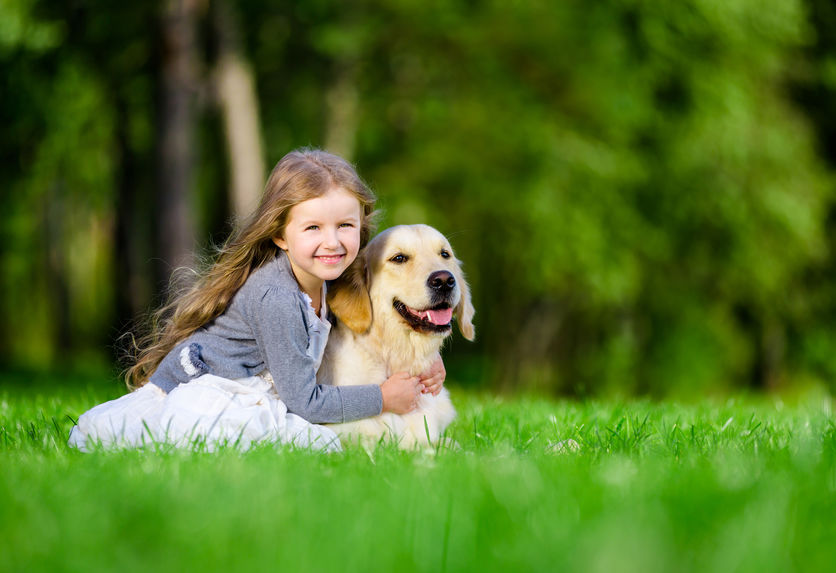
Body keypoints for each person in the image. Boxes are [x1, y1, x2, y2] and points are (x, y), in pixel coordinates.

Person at [68, 149, 445, 452]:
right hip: (216, 393)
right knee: (319, 444)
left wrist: (428, 362)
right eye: (313, 227)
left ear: (361, 227)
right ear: (280, 236)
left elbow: (376, 332)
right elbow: (306, 404)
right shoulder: (276, 297)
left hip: (258, 392)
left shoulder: (332, 279)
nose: (332, 241)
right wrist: (381, 398)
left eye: (344, 226)